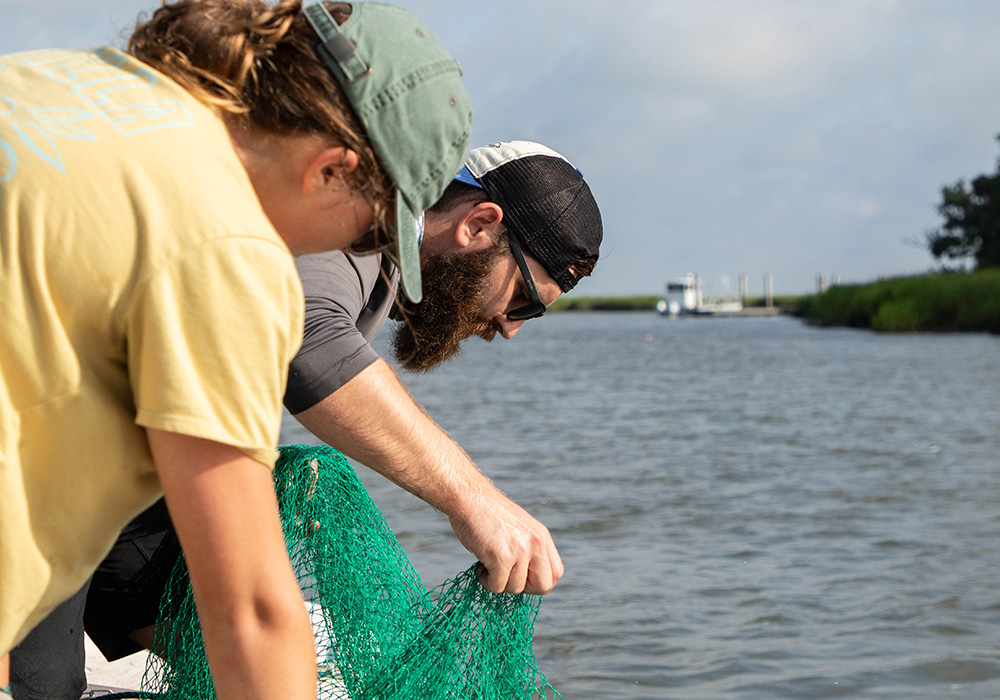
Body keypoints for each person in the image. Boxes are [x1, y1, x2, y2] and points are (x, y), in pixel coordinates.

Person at [8, 141, 604, 698]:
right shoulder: (353, 223)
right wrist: (474, 499)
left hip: (105, 465)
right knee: (40, 685)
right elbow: (307, 340)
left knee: (230, 655)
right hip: (31, 435)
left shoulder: (377, 259)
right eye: (523, 298)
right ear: (478, 225)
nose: (510, 327)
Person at [0, 1, 473, 699]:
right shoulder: (227, 248)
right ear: (330, 171)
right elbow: (249, 611)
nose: (353, 253)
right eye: (372, 234)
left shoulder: (55, 78)